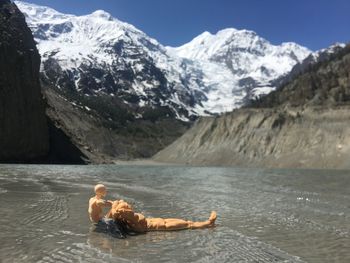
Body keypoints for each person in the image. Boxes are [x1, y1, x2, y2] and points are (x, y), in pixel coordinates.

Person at [88, 184, 217, 234]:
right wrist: (113, 206)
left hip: (153, 221)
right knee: (188, 224)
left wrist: (113, 203)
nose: (128, 206)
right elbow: (106, 206)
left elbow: (112, 209)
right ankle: (208, 224)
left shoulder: (121, 214)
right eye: (127, 206)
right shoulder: (125, 216)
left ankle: (207, 223)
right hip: (156, 226)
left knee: (186, 222)